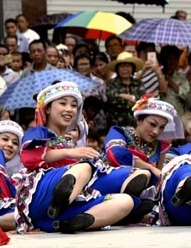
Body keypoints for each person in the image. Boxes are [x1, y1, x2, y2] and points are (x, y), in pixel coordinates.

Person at [14, 82, 134, 233]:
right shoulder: (39, 131)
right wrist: (70, 153)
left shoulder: (71, 142)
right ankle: (60, 205)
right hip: (40, 194)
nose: (69, 109)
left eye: (73, 105)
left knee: (124, 201)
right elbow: (29, 158)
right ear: (48, 109)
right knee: (84, 167)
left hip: (64, 203)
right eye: (63, 103)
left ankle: (64, 222)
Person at [105, 52, 146, 127]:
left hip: (136, 125)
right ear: (117, 68)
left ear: (132, 68)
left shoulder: (138, 83)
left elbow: (143, 102)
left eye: (128, 66)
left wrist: (123, 96)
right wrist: (133, 99)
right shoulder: (112, 83)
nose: (125, 69)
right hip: (116, 125)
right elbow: (113, 99)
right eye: (122, 66)